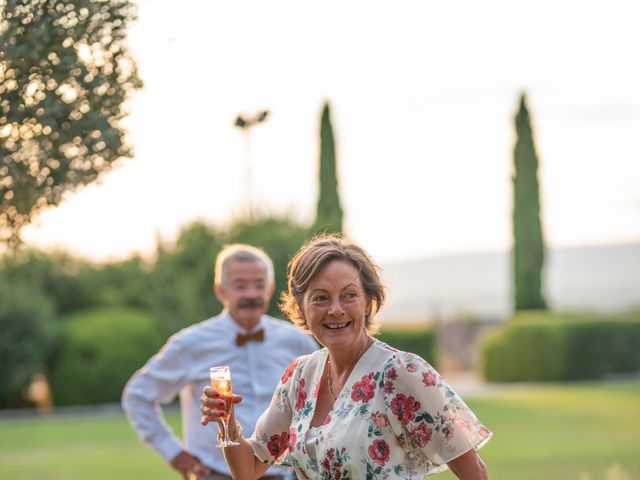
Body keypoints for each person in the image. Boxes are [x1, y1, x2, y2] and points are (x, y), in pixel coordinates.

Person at [200, 235, 492, 479]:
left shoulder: (402, 373)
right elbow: (249, 468)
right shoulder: (299, 376)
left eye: (349, 295)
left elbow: (474, 472)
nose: (336, 309)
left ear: (368, 302)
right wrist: (227, 420)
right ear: (301, 308)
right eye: (321, 297)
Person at [122, 244, 318, 480]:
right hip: (216, 473)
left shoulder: (297, 341)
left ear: (270, 288)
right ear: (220, 290)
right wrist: (174, 453)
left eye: (259, 284)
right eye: (240, 285)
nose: (251, 294)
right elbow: (137, 395)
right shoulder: (190, 343)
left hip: (286, 474)